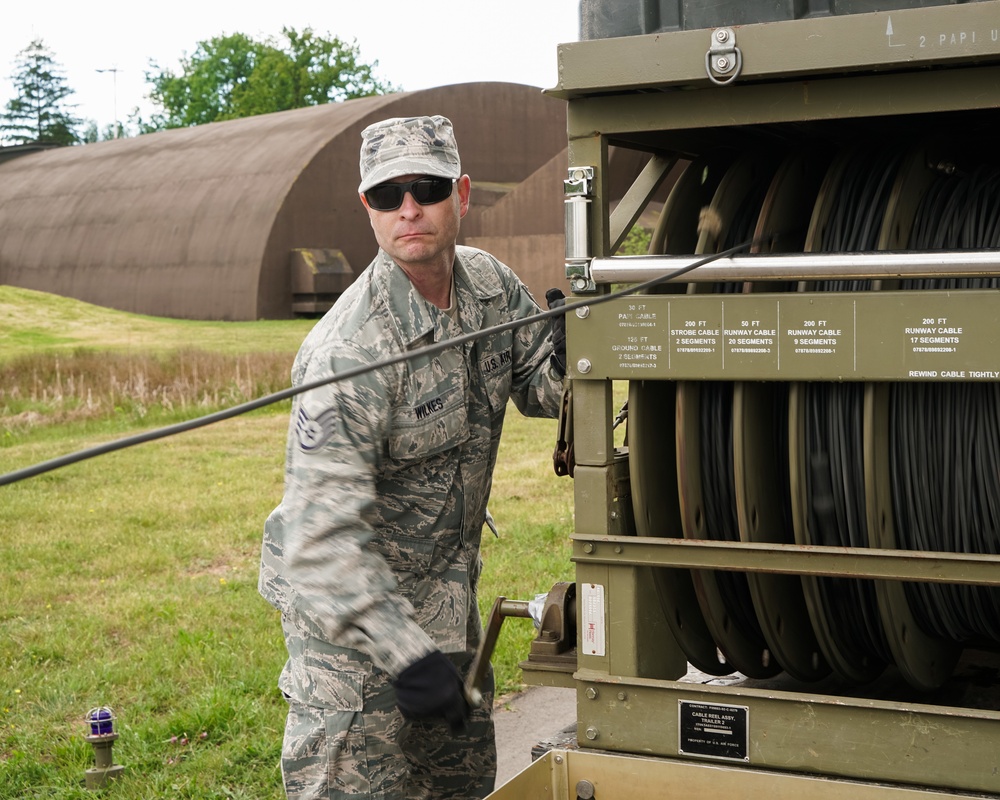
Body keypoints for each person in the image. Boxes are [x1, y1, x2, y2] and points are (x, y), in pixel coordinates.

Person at [259, 114, 566, 800]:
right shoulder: (348, 350)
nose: (408, 210)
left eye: (425, 188)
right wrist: (406, 658)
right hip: (355, 644)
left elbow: (539, 389)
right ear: (366, 208)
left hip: (445, 612)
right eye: (386, 196)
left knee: (462, 786)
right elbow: (318, 540)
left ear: (460, 193)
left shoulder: (489, 287)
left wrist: (572, 356)